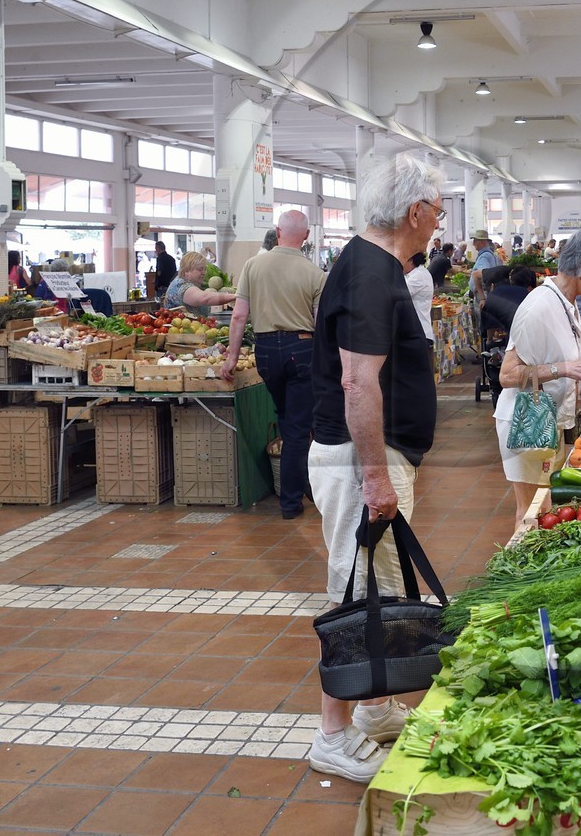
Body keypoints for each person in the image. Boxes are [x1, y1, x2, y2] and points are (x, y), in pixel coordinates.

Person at [306, 154, 444, 782]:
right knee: (356, 588)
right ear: (415, 212)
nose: (438, 224)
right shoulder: (368, 273)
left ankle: (377, 708)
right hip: (362, 459)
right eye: (438, 212)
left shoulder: (378, 266)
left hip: (378, 454)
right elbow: (357, 381)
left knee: (379, 584)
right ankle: (331, 733)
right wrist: (375, 474)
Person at [495, 227, 581, 531]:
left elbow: (560, 356)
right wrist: (563, 369)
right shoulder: (538, 307)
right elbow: (507, 375)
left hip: (548, 417)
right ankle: (521, 572)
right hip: (527, 419)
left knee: (544, 507)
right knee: (531, 510)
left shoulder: (567, 303)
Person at [219, 209, 326, 520]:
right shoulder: (314, 273)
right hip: (302, 348)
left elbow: (239, 316)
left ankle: (298, 486)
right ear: (306, 237)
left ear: (278, 231)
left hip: (265, 351)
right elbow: (321, 325)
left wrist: (232, 357)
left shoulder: (253, 266)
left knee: (287, 419)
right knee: (296, 428)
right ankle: (291, 502)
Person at [165, 252, 237, 317]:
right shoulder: (182, 285)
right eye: (200, 269)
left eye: (204, 269)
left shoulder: (187, 283)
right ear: (186, 271)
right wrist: (236, 296)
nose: (204, 272)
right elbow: (205, 298)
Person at [483, 265, 535, 334]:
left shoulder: (494, 296)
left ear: (492, 286)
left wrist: (489, 341)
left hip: (515, 329)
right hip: (528, 327)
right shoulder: (527, 293)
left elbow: (490, 326)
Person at [405, 252, 434, 340]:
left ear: (410, 261)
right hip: (416, 331)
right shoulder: (416, 273)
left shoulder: (418, 276)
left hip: (419, 332)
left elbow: (396, 294)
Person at [471, 229, 500, 299]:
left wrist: (478, 290)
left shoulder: (484, 256)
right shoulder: (491, 255)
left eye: (475, 241)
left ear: (482, 242)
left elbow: (484, 275)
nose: (473, 244)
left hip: (482, 294)